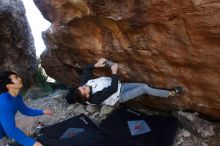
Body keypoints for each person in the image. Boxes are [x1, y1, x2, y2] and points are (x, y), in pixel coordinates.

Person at [71, 58, 182, 106]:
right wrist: (114, 72)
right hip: (120, 95)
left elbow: (86, 69)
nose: (84, 85)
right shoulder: (95, 98)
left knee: (144, 86)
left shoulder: (83, 85)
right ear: (87, 95)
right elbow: (112, 89)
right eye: (84, 88)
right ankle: (171, 94)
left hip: (121, 86)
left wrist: (96, 64)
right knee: (144, 88)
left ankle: (139, 95)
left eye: (82, 86)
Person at [0, 71, 52, 146]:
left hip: (5, 126)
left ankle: (20, 138)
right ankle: (17, 140)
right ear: (8, 85)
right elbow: (10, 130)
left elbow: (25, 110)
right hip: (1, 134)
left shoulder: (17, 97)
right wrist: (32, 143)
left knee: (32, 121)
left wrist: (42, 111)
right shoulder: (4, 101)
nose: (20, 78)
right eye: (16, 78)